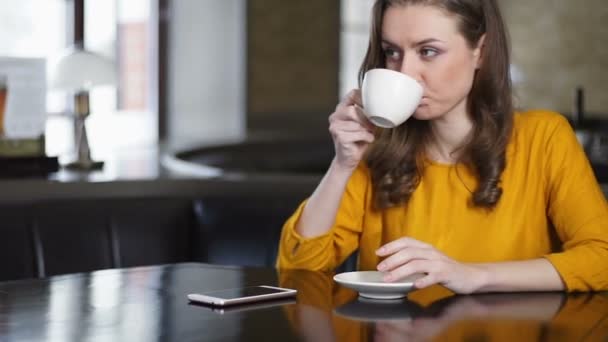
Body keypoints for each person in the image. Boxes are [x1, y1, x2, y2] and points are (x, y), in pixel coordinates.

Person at [276, 0, 608, 293]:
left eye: (428, 51)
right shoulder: (376, 148)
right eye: (392, 52)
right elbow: (299, 271)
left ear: (480, 50)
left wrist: (473, 276)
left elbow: (602, 258)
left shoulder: (544, 138)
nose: (406, 72)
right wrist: (343, 164)